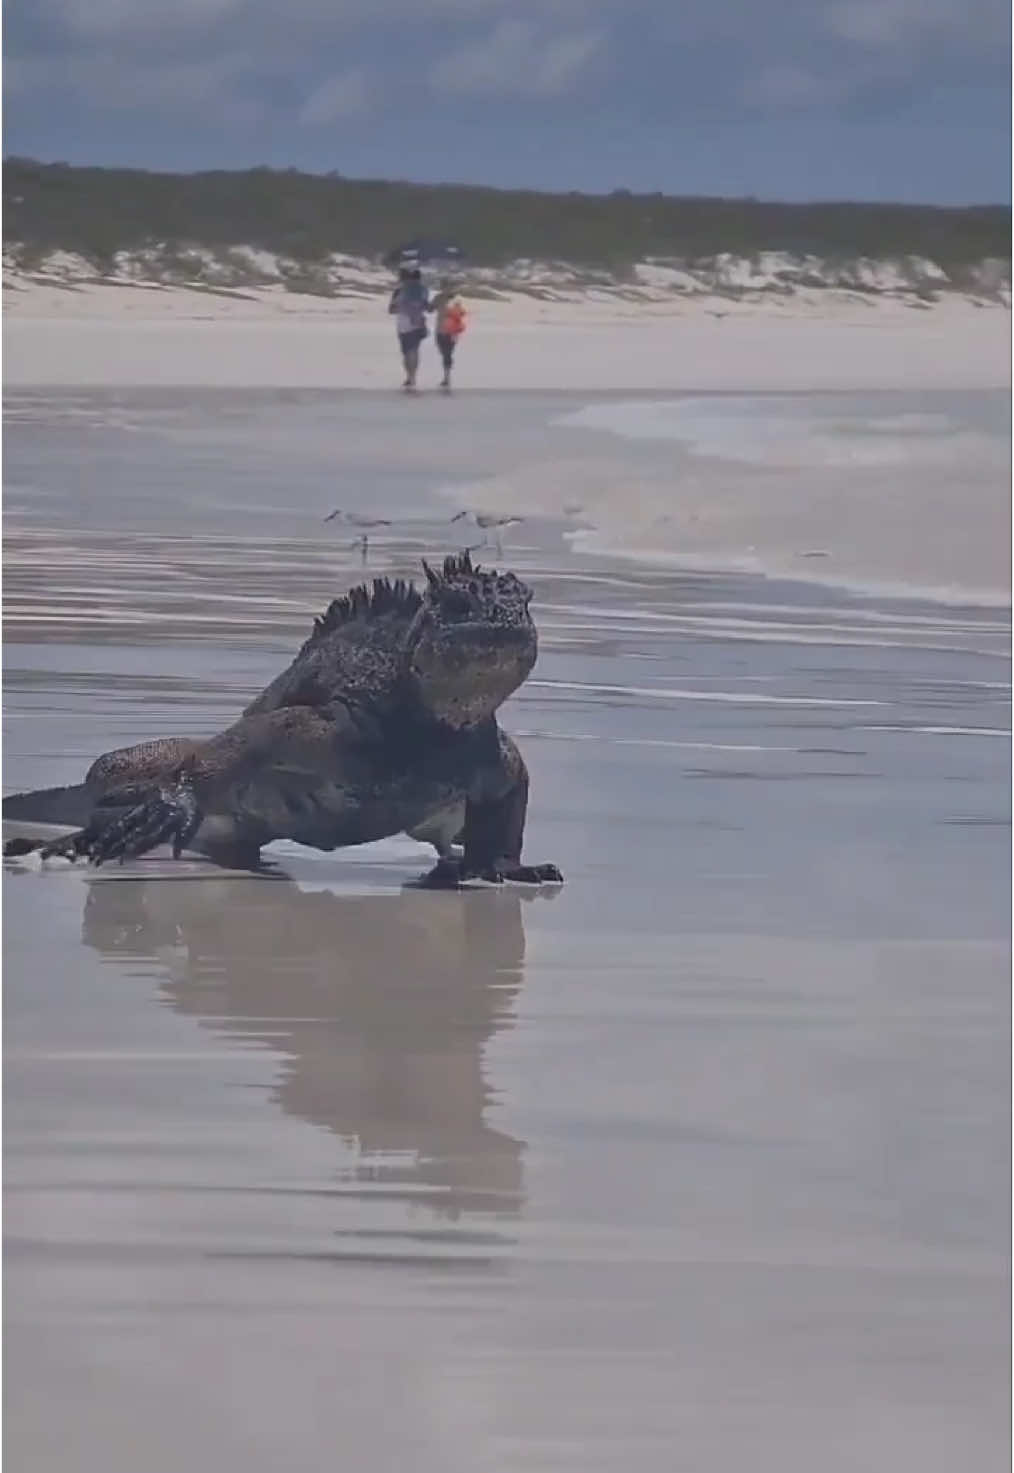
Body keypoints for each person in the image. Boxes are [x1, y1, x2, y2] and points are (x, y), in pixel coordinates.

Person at [388, 267, 429, 390]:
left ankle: (410, 377)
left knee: (407, 353)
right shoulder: (423, 290)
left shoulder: (398, 291)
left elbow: (391, 310)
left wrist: (401, 308)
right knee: (413, 351)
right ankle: (412, 376)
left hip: (403, 326)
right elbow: (426, 306)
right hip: (417, 324)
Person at [430, 280, 467, 390]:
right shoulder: (438, 298)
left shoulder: (456, 299)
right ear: (442, 288)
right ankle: (448, 368)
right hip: (439, 330)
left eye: (449, 287)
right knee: (442, 351)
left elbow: (462, 313)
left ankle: (447, 377)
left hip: (452, 330)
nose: (447, 289)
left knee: (447, 353)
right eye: (445, 287)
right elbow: (430, 309)